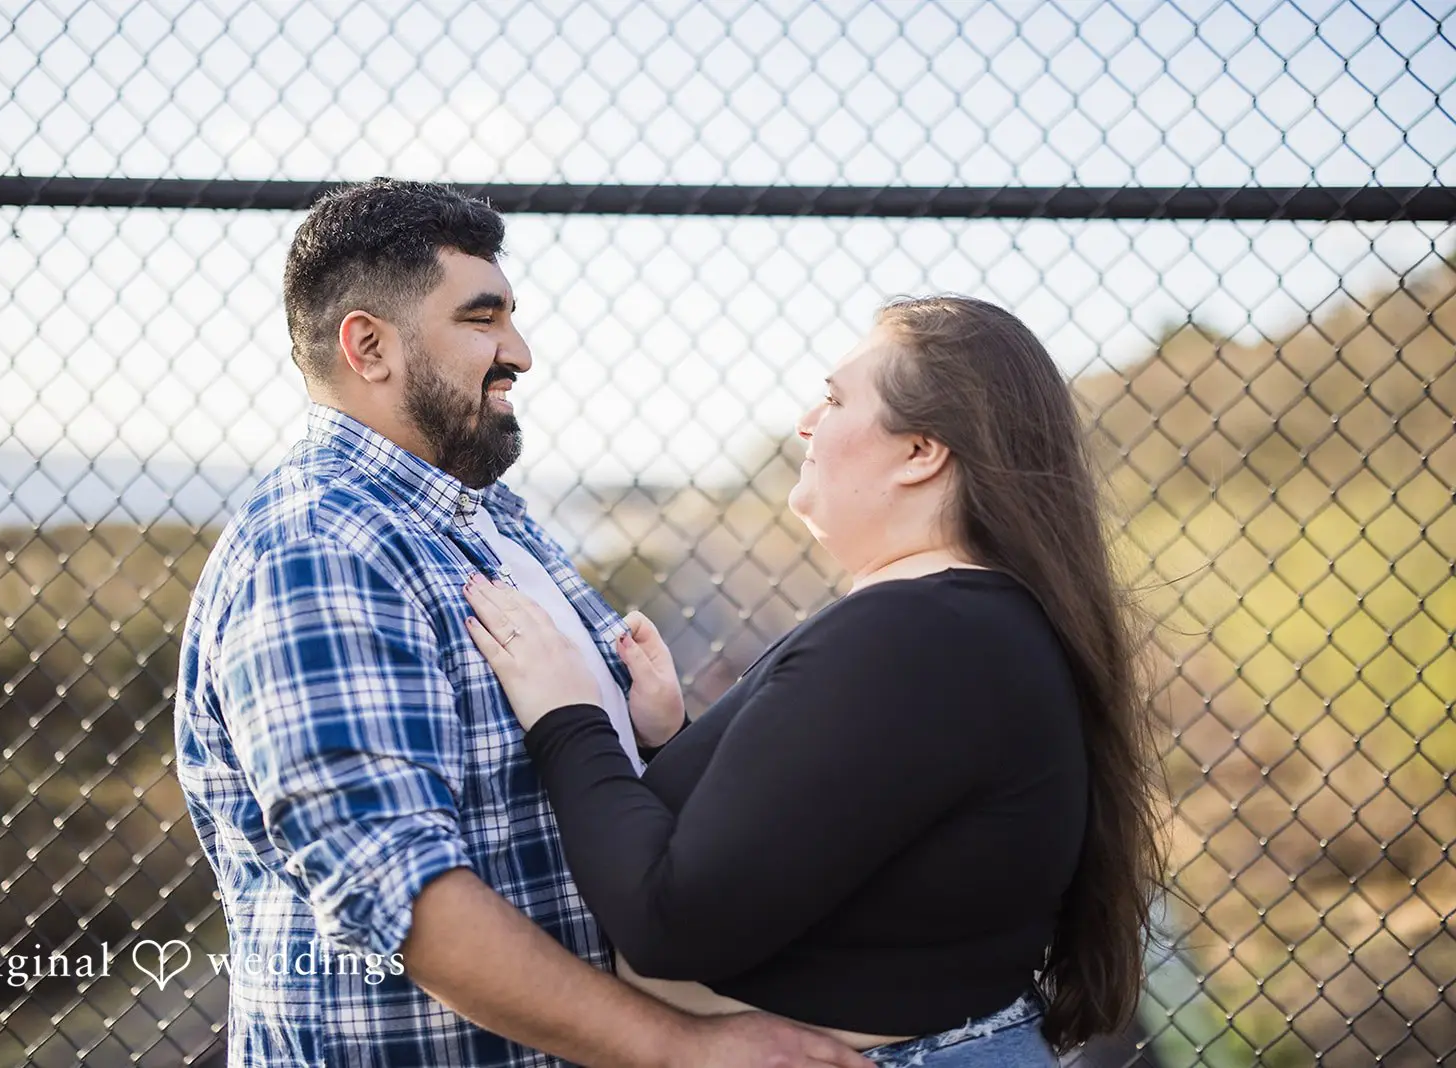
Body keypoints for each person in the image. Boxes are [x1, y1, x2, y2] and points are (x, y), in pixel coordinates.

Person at [173, 179, 870, 1068]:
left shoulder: (492, 521)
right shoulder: (323, 549)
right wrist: (685, 1050)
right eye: (482, 319)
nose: (522, 353)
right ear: (369, 346)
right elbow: (401, 895)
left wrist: (662, 737)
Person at [461, 295, 1168, 1066]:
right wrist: (668, 739)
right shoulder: (961, 626)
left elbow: (671, 920)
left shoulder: (918, 634)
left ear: (920, 451)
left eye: (834, 400)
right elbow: (822, 845)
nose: (805, 421)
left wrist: (568, 718)